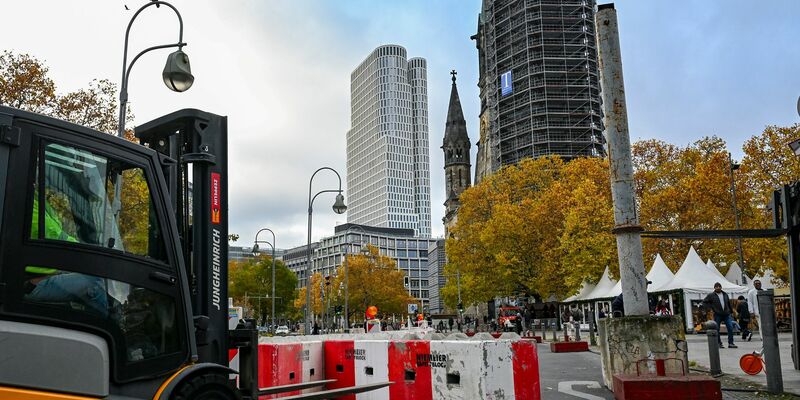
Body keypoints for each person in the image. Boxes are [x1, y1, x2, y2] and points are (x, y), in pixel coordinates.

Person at [703, 282, 737, 348]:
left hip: (726, 314)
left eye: (719, 286)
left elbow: (728, 303)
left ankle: (731, 343)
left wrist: (731, 312)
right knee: (717, 329)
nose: (718, 288)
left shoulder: (725, 294)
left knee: (730, 327)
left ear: (721, 287)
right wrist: (710, 308)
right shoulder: (711, 295)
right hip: (717, 314)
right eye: (716, 286)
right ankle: (719, 343)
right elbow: (704, 302)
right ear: (714, 288)